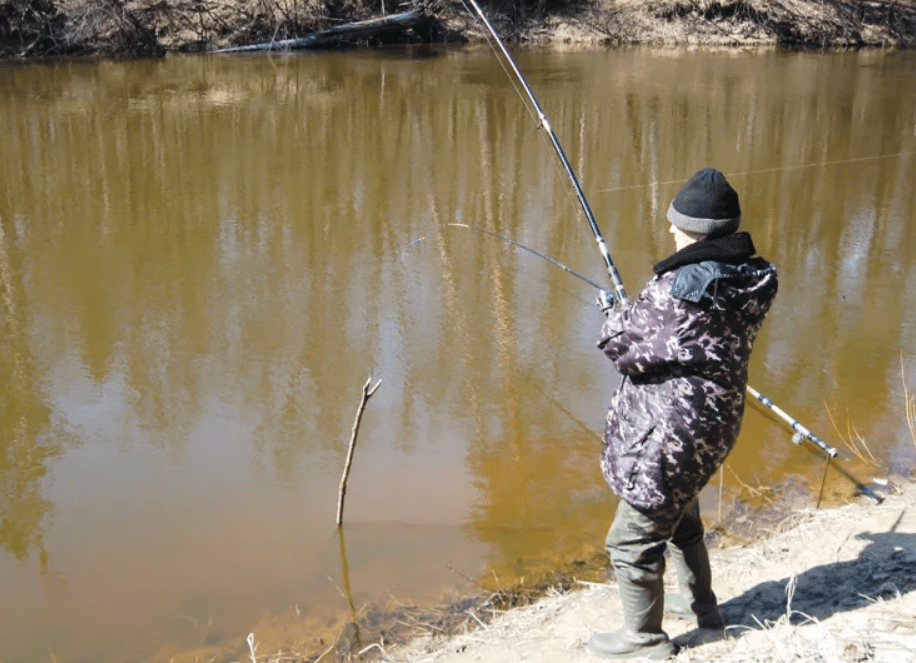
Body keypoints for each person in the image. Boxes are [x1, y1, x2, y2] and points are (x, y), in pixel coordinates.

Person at [587, 167, 779, 660]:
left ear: (696, 229)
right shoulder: (753, 276)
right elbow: (683, 338)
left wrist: (613, 313)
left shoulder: (676, 289)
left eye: (677, 223)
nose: (670, 229)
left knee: (629, 541)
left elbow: (626, 349)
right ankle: (705, 609)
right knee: (682, 520)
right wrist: (639, 312)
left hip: (670, 433)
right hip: (713, 424)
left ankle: (645, 640)